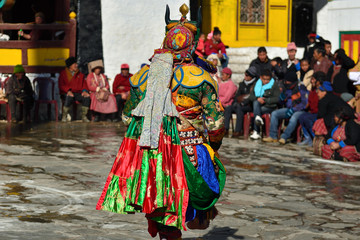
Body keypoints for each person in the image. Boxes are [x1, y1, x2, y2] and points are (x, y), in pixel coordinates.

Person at [96, 5, 226, 240]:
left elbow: (127, 118)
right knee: (188, 199)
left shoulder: (143, 77)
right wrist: (212, 149)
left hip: (154, 152)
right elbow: (216, 125)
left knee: (162, 205)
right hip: (190, 151)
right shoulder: (203, 79)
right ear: (192, 44)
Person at [263, 71, 308, 144]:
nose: (286, 82)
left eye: (288, 81)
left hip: (300, 110)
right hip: (289, 108)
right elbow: (284, 101)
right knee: (274, 113)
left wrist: (294, 109)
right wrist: (281, 99)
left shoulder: (301, 87)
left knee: (294, 118)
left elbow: (304, 103)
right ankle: (273, 136)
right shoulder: (286, 88)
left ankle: (284, 137)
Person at [243, 69, 280, 140]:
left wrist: (266, 100)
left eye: (268, 79)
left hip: (269, 106)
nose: (266, 81)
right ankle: (258, 121)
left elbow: (277, 99)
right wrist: (257, 98)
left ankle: (256, 131)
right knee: (256, 102)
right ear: (260, 78)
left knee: (257, 110)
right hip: (258, 106)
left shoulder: (274, 85)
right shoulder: (257, 84)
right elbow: (251, 96)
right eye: (264, 79)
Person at [224, 66, 257, 138]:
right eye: (245, 75)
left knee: (239, 108)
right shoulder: (242, 84)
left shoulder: (254, 85)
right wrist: (237, 101)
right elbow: (237, 96)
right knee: (228, 108)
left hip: (249, 105)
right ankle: (225, 128)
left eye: (247, 75)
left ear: (251, 76)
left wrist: (243, 102)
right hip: (239, 103)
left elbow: (251, 97)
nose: (245, 77)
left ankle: (238, 130)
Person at [61, 57, 90, 122]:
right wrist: (68, 91)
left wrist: (84, 91)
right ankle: (64, 116)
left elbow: (84, 85)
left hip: (77, 93)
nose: (76, 65)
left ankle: (84, 116)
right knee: (69, 97)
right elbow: (61, 85)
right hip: (67, 93)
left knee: (87, 97)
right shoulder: (64, 74)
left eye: (76, 64)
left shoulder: (80, 75)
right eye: (74, 64)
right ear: (70, 66)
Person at [297, 71, 323, 146]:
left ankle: (314, 138)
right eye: (311, 79)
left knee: (307, 119)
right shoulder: (312, 91)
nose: (312, 81)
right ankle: (307, 138)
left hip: (319, 113)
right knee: (301, 117)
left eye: (314, 80)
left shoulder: (322, 91)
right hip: (312, 112)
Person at [219, 67, 238, 136]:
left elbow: (227, 97)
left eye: (224, 75)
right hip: (219, 102)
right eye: (222, 74)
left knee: (227, 109)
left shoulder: (231, 85)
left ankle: (225, 128)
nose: (222, 76)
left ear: (228, 75)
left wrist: (219, 102)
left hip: (227, 104)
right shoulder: (220, 83)